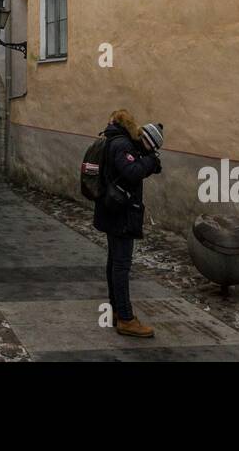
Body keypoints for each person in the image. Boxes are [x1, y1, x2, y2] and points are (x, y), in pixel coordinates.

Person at [92, 109, 163, 338]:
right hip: (120, 214)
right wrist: (151, 161)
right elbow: (131, 172)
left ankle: (116, 311)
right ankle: (125, 318)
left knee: (115, 262)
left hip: (112, 210)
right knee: (121, 265)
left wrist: (146, 158)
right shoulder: (121, 144)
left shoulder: (113, 140)